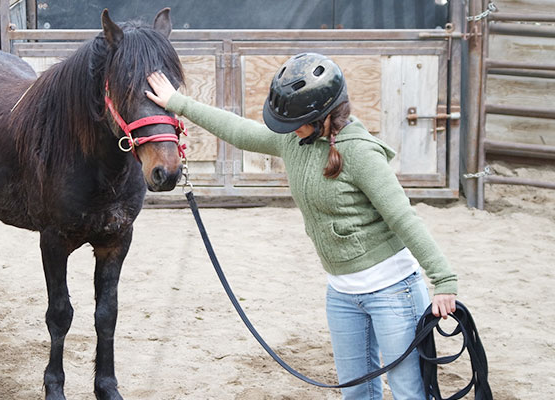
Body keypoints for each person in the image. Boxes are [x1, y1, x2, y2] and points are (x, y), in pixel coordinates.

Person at [146, 53, 458, 399]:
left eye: (297, 121)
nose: (289, 128)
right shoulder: (294, 139)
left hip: (392, 290)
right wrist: (179, 103)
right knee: (356, 393)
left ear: (324, 116)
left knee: (408, 392)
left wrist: (444, 280)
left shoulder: (360, 153)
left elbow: (403, 217)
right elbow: (239, 131)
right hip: (341, 292)